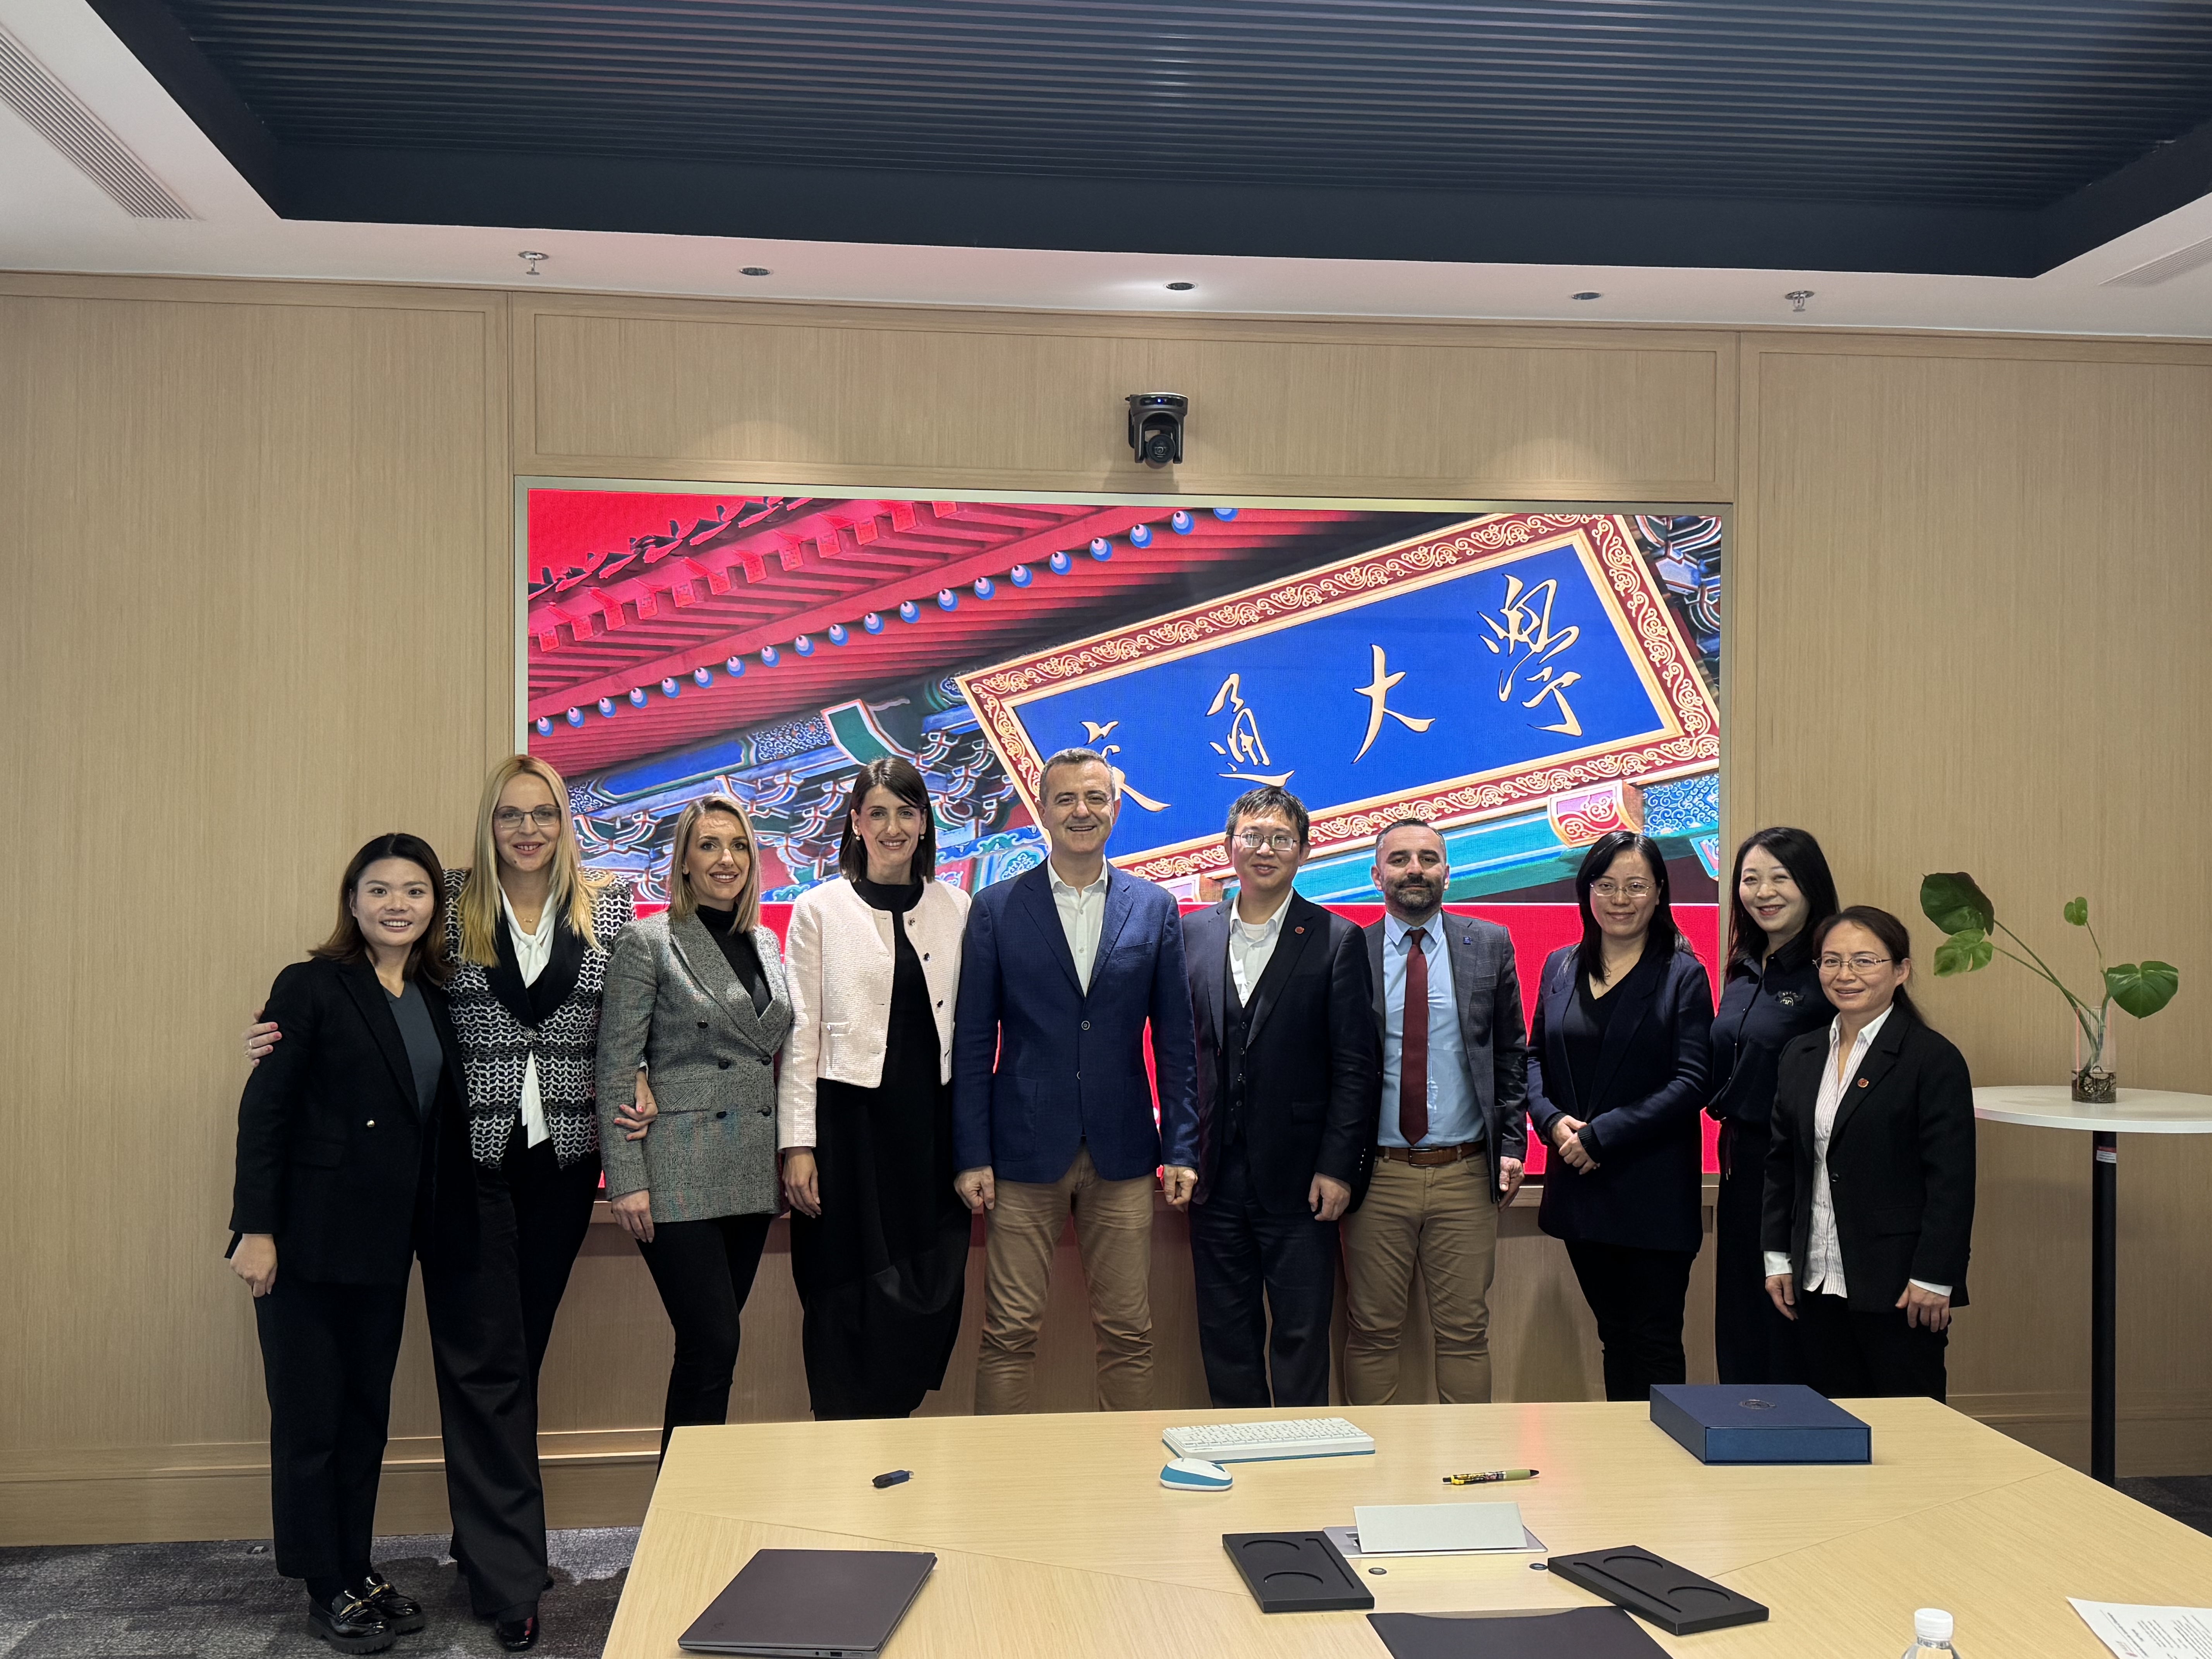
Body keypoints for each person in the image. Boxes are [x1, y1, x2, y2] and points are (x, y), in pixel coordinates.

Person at [244, 756, 652, 1652]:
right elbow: (377, 989)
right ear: (488, 823)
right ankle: (510, 1579)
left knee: (517, 1358)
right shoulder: (450, 899)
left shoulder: (611, 905)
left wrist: (646, 1076)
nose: (527, 830)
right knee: (488, 1367)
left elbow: (629, 1019)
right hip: (467, 1167)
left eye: (543, 814)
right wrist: (284, 1033)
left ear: (565, 823)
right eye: (511, 814)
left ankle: (484, 1540)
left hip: (564, 1162)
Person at [228, 833, 473, 1656]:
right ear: (352, 899)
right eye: (379, 889)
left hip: (385, 1243)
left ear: (435, 905)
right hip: (303, 1239)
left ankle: (357, 1566)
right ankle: (321, 1582)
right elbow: (265, 1111)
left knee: (366, 1417)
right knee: (312, 1418)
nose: (397, 904)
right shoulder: (311, 984)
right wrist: (256, 1228)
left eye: (415, 890)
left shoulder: (437, 993)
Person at [951, 747, 1199, 1413]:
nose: (1081, 811)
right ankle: (996, 1471)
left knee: (1129, 1332)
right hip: (1022, 1151)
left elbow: (1175, 1041)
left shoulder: (1153, 907)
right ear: (1043, 811)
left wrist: (1181, 1146)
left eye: (1094, 798)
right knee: (1009, 1333)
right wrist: (971, 1152)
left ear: (1116, 809)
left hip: (1123, 1151)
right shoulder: (997, 907)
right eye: (1065, 799)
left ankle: (1126, 1472)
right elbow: (973, 1043)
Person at [778, 758, 973, 1419]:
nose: (893, 827)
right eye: (878, 813)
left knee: (928, 1289)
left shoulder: (957, 907)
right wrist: (797, 1145)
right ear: (856, 822)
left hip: (929, 1131)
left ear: (925, 823)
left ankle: (898, 1434)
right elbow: (801, 1033)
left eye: (906, 812)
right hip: (847, 1130)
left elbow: (972, 1032)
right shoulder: (818, 909)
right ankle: (842, 1440)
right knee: (845, 1293)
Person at [598, 793, 791, 1455]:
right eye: (708, 845)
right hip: (677, 1167)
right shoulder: (648, 941)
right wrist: (626, 1180)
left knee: (711, 1352)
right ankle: (679, 1506)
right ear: (682, 861)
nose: (725, 859)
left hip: (748, 1167)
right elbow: (617, 1064)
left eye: (738, 846)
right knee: (712, 1341)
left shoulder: (766, 941)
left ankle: (691, 1498)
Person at [1182, 786, 1377, 1407]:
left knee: (1301, 1334)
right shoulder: (1191, 934)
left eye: (1281, 839)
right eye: (1253, 837)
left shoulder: (1336, 938)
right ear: (1228, 847)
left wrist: (1338, 1168)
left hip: (1302, 1179)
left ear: (1304, 852)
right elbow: (1180, 1058)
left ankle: (1303, 1456)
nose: (1265, 850)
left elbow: (1356, 1067)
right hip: (1214, 1176)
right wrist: (1181, 1152)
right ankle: (1241, 1449)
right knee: (1225, 1334)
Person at [1341, 818, 1529, 1406]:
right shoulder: (1349, 950)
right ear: (1377, 876)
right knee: (1372, 1332)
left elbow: (1511, 1054)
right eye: (1399, 860)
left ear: (1448, 872)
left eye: (1428, 858)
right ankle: (1373, 1459)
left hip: (1465, 1174)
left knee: (1465, 1335)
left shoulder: (1490, 943)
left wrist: (1514, 1145)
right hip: (1377, 1177)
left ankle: (1466, 1459)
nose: (1415, 870)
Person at [1527, 831, 1714, 1403]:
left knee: (1654, 1340)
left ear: (1660, 892)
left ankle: (1664, 1454)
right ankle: (1625, 1452)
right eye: (1606, 885)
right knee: (1614, 1337)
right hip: (1580, 1188)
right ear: (1587, 891)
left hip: (1651, 1191)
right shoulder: (1560, 966)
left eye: (1636, 886)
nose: (1620, 899)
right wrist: (1551, 1122)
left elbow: (1693, 1081)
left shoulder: (1683, 973)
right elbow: (1532, 1059)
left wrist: (1602, 1136)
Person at [1763, 907, 1975, 1401]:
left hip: (1900, 1288)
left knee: (1909, 1432)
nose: (1846, 974)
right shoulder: (1801, 1055)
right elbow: (1782, 1166)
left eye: (1864, 961)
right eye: (1832, 961)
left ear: (1901, 970)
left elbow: (1952, 1181)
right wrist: (1777, 1258)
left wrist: (1935, 1277)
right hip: (1815, 1282)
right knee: (1832, 1426)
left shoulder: (1932, 1059)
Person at [1707, 827, 1838, 1385]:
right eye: (1750, 879)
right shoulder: (1743, 966)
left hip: (1803, 1169)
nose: (1763, 892)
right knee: (1743, 1316)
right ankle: (1744, 1427)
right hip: (1740, 1164)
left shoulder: (1831, 970)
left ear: (1811, 884)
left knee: (1790, 1321)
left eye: (1780, 878)